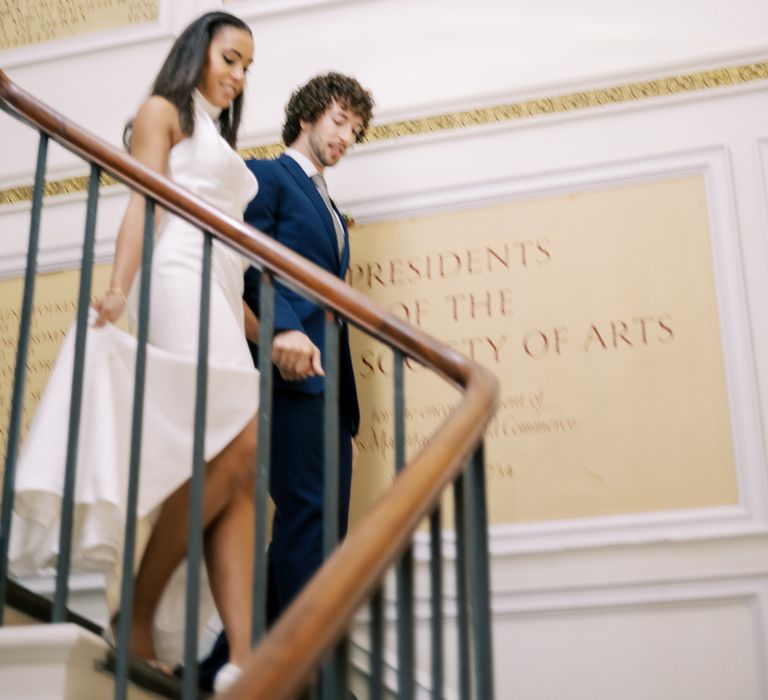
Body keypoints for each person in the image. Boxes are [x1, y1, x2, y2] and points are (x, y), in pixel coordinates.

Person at [9, 11, 259, 692]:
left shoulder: (216, 133)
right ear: (199, 48)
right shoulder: (161, 109)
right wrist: (119, 288)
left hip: (219, 284)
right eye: (230, 57)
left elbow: (230, 247)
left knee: (237, 461)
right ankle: (140, 615)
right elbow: (146, 202)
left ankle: (242, 652)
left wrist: (267, 327)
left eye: (247, 66)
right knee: (234, 444)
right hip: (178, 274)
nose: (238, 75)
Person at [198, 71, 374, 691]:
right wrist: (280, 333)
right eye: (339, 121)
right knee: (306, 515)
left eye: (355, 129)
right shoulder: (267, 177)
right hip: (289, 368)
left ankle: (227, 668)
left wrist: (347, 416)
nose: (346, 135)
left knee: (323, 525)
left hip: (329, 386)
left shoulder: (332, 210)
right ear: (308, 116)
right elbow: (249, 258)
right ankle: (307, 675)